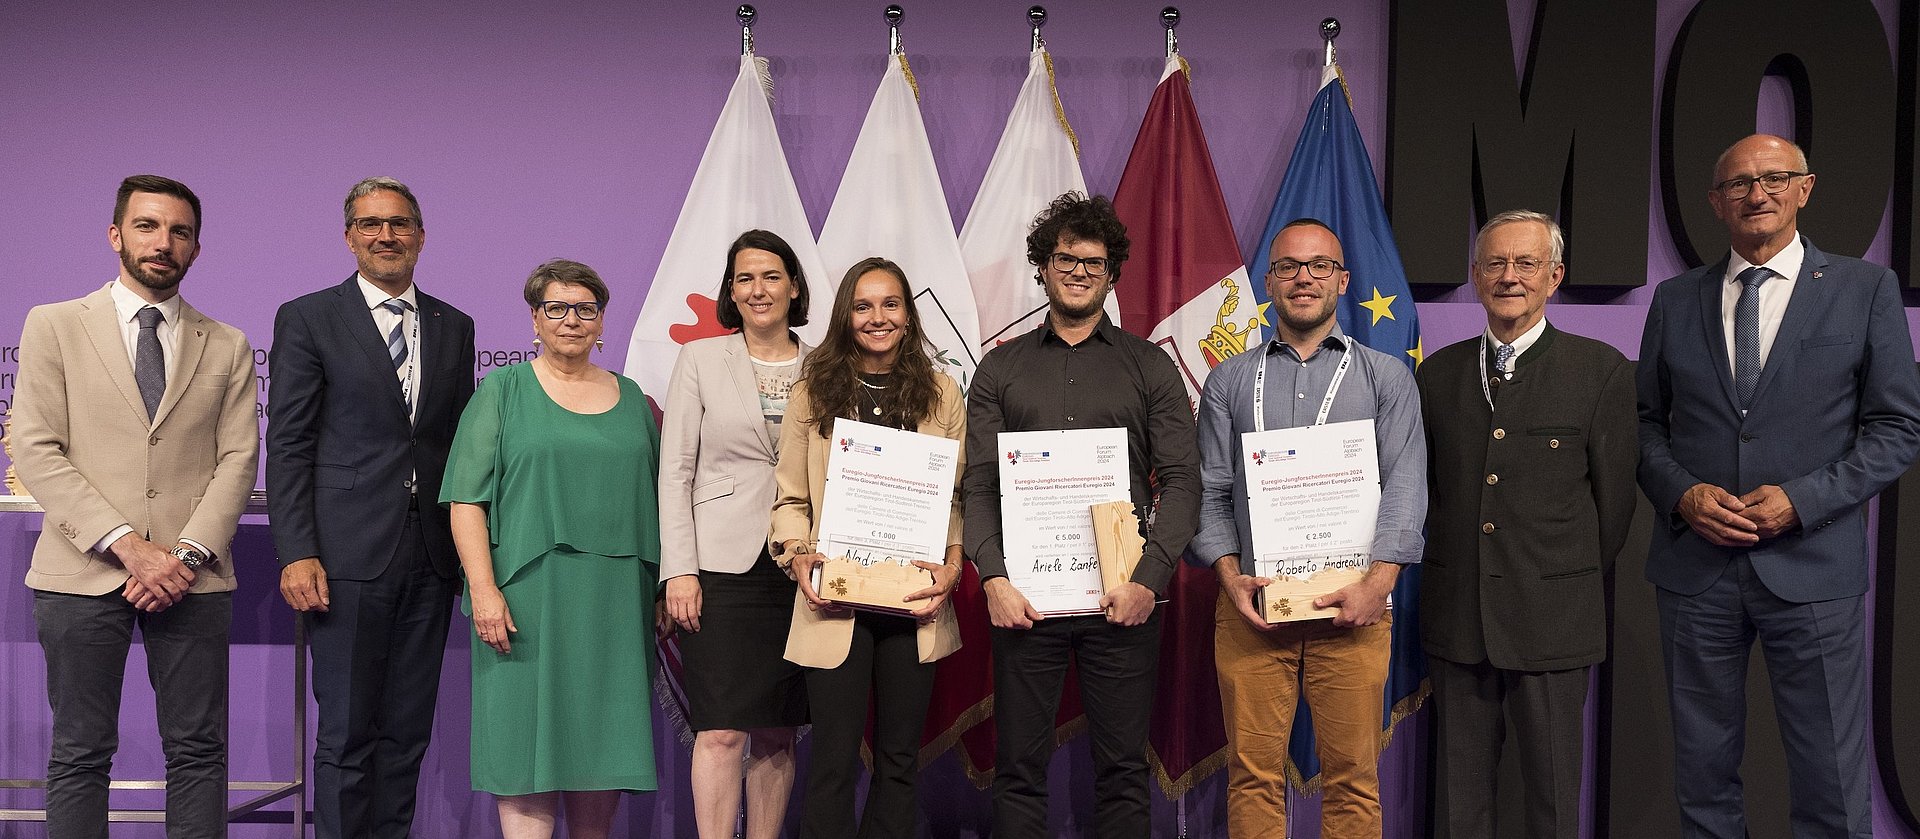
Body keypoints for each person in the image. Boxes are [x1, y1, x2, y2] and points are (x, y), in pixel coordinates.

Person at [1638, 133, 1920, 836]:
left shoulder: (1865, 289)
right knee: (1702, 782)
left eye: (1773, 178)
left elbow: (1897, 429)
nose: (1755, 193)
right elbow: (1642, 426)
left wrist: (1803, 499)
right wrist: (1683, 494)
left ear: (1805, 188)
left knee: (1830, 780)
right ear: (1714, 201)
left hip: (1814, 568)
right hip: (1695, 571)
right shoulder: (1675, 300)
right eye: (1738, 183)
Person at [12, 174, 258, 836]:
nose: (163, 242)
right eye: (147, 226)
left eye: (179, 231)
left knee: (199, 753)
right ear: (116, 235)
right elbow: (35, 447)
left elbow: (238, 459)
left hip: (192, 577)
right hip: (82, 569)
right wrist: (128, 545)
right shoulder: (55, 324)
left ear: (196, 249)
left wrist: (178, 556)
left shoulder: (227, 343)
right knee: (81, 751)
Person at [963, 192, 1201, 837]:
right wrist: (992, 578)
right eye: (1066, 258)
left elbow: (1182, 483)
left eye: (1094, 263)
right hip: (1024, 600)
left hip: (1122, 599)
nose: (1078, 272)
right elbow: (978, 487)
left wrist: (1148, 581)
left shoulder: (1149, 365)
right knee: (1018, 768)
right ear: (1043, 265)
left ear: (1111, 273)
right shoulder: (999, 368)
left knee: (1123, 770)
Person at [1190, 217, 1425, 836]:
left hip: (1354, 606)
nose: (1304, 278)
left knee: (1352, 778)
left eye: (1319, 265)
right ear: (1268, 281)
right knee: (1253, 777)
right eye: (1289, 266)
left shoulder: (1386, 378)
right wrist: (1229, 577)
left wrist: (1379, 585)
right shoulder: (1230, 380)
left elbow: (1406, 487)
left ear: (1342, 280)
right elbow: (1209, 492)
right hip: (1253, 606)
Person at [265, 176, 475, 839]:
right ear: (349, 235)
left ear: (420, 234)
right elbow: (291, 443)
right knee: (349, 733)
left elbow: (454, 445)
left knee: (408, 732)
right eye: (370, 224)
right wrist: (297, 548)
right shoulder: (308, 317)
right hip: (345, 559)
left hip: (432, 559)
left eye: (399, 223)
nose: (386, 235)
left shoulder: (453, 324)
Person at [1417, 210, 1636, 837]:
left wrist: (1557, 579)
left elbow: (1614, 509)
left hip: (1554, 621)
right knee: (1462, 802)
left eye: (1526, 263)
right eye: (1495, 263)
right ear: (1476, 275)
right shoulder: (1438, 374)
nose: (1509, 276)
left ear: (1554, 276)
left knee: (1553, 799)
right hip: (1458, 617)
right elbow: (1428, 492)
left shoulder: (1602, 371)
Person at [443, 259, 660, 838]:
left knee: (601, 746)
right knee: (523, 750)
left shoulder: (635, 398)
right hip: (523, 602)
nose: (571, 320)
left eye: (585, 309)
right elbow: (466, 500)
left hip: (616, 603)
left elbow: (662, 499)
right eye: (556, 308)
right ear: (535, 320)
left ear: (601, 322)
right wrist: (484, 590)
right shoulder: (502, 390)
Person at [769, 257, 965, 839]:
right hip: (836, 598)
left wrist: (952, 568)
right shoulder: (813, 390)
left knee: (901, 760)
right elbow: (789, 498)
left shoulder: (942, 393)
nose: (877, 317)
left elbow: (956, 497)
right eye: (862, 305)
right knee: (831, 759)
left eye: (890, 304)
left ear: (908, 316)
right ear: (845, 315)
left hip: (914, 598)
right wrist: (799, 556)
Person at [658, 229, 812, 839]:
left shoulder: (826, 361)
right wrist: (680, 569)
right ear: (730, 290)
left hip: (803, 568)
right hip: (719, 569)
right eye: (744, 278)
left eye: (771, 276)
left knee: (777, 729)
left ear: (793, 286)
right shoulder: (700, 359)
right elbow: (676, 471)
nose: (758, 289)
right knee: (720, 729)